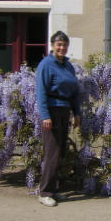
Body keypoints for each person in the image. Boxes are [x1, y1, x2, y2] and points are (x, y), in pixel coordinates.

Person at [35, 31, 81, 207]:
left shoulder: (68, 66)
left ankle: (53, 190)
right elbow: (41, 92)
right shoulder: (46, 65)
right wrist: (45, 116)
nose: (62, 48)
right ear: (52, 46)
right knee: (52, 152)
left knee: (61, 151)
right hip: (52, 112)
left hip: (65, 110)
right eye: (59, 44)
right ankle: (44, 192)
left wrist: (76, 113)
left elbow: (75, 91)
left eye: (64, 45)